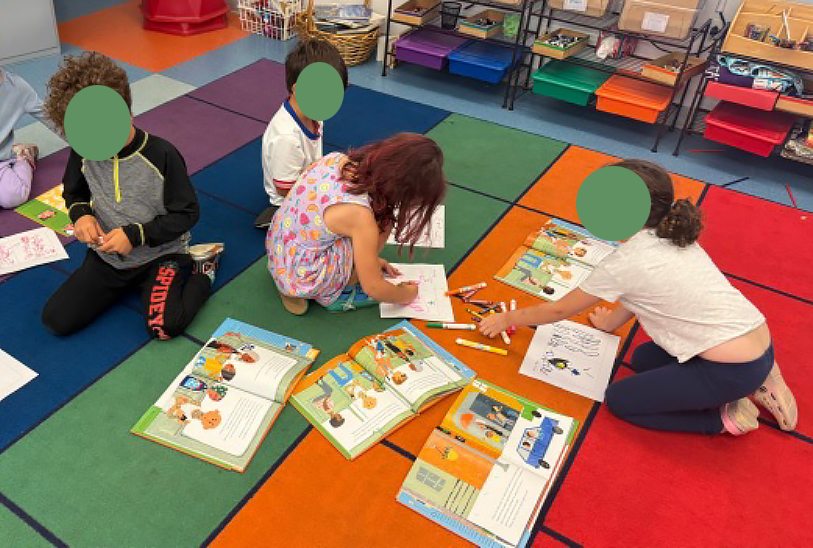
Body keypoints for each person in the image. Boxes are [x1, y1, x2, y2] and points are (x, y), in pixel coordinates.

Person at [480, 159, 798, 436]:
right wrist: (610, 323)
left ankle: (723, 419)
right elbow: (639, 292)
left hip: (731, 370)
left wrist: (506, 318)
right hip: (759, 342)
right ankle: (761, 377)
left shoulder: (624, 262)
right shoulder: (673, 233)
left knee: (620, 400)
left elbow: (558, 311)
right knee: (644, 358)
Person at [40, 52, 223, 339]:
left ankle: (204, 270)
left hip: (162, 255)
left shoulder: (162, 155)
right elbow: (74, 191)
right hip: (110, 259)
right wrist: (82, 215)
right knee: (56, 320)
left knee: (164, 327)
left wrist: (135, 236)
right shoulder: (83, 150)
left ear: (127, 113)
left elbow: (187, 214)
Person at [267, 133, 446, 315]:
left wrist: (371, 261)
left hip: (280, 251)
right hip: (301, 276)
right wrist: (405, 295)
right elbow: (373, 287)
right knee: (384, 219)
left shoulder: (336, 159)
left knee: (375, 218)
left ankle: (301, 282)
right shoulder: (360, 216)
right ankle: (342, 294)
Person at [254, 39, 348, 229]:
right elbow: (284, 189)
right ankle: (279, 217)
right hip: (291, 198)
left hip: (311, 180)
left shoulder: (314, 114)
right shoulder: (286, 137)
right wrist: (326, 186)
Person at [0, 66, 54, 209]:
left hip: (1, 159)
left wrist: (84, 143)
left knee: (13, 196)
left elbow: (50, 117)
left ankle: (23, 156)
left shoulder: (17, 88)